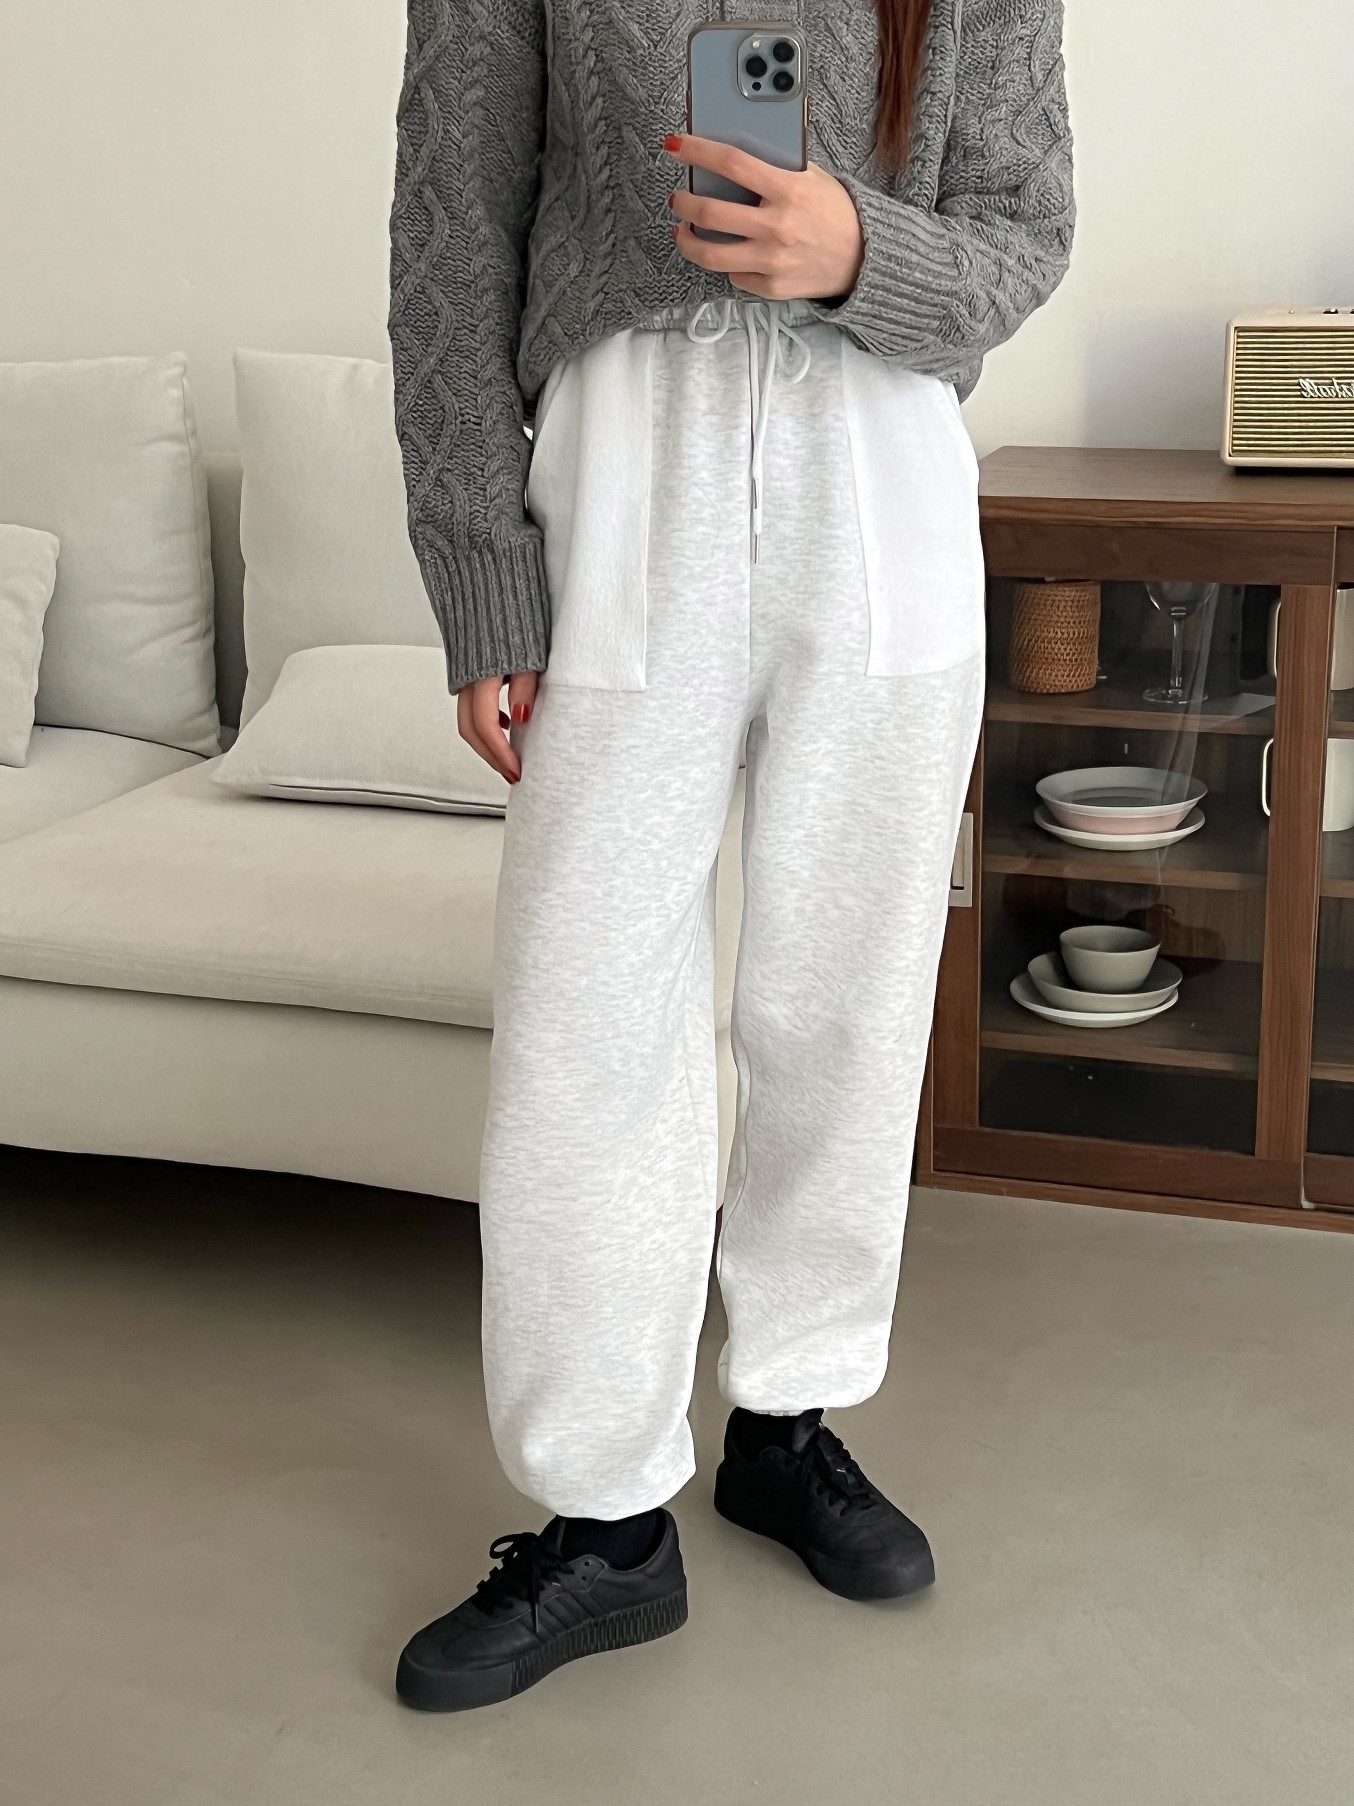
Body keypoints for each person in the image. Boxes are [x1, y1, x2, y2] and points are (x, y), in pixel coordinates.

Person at [386, 0, 1074, 1712]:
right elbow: (449, 224)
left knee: (844, 999)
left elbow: (1023, 227)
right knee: (586, 1018)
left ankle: (788, 1415)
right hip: (627, 475)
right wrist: (481, 575)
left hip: (877, 477)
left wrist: (860, 251)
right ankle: (605, 1516)